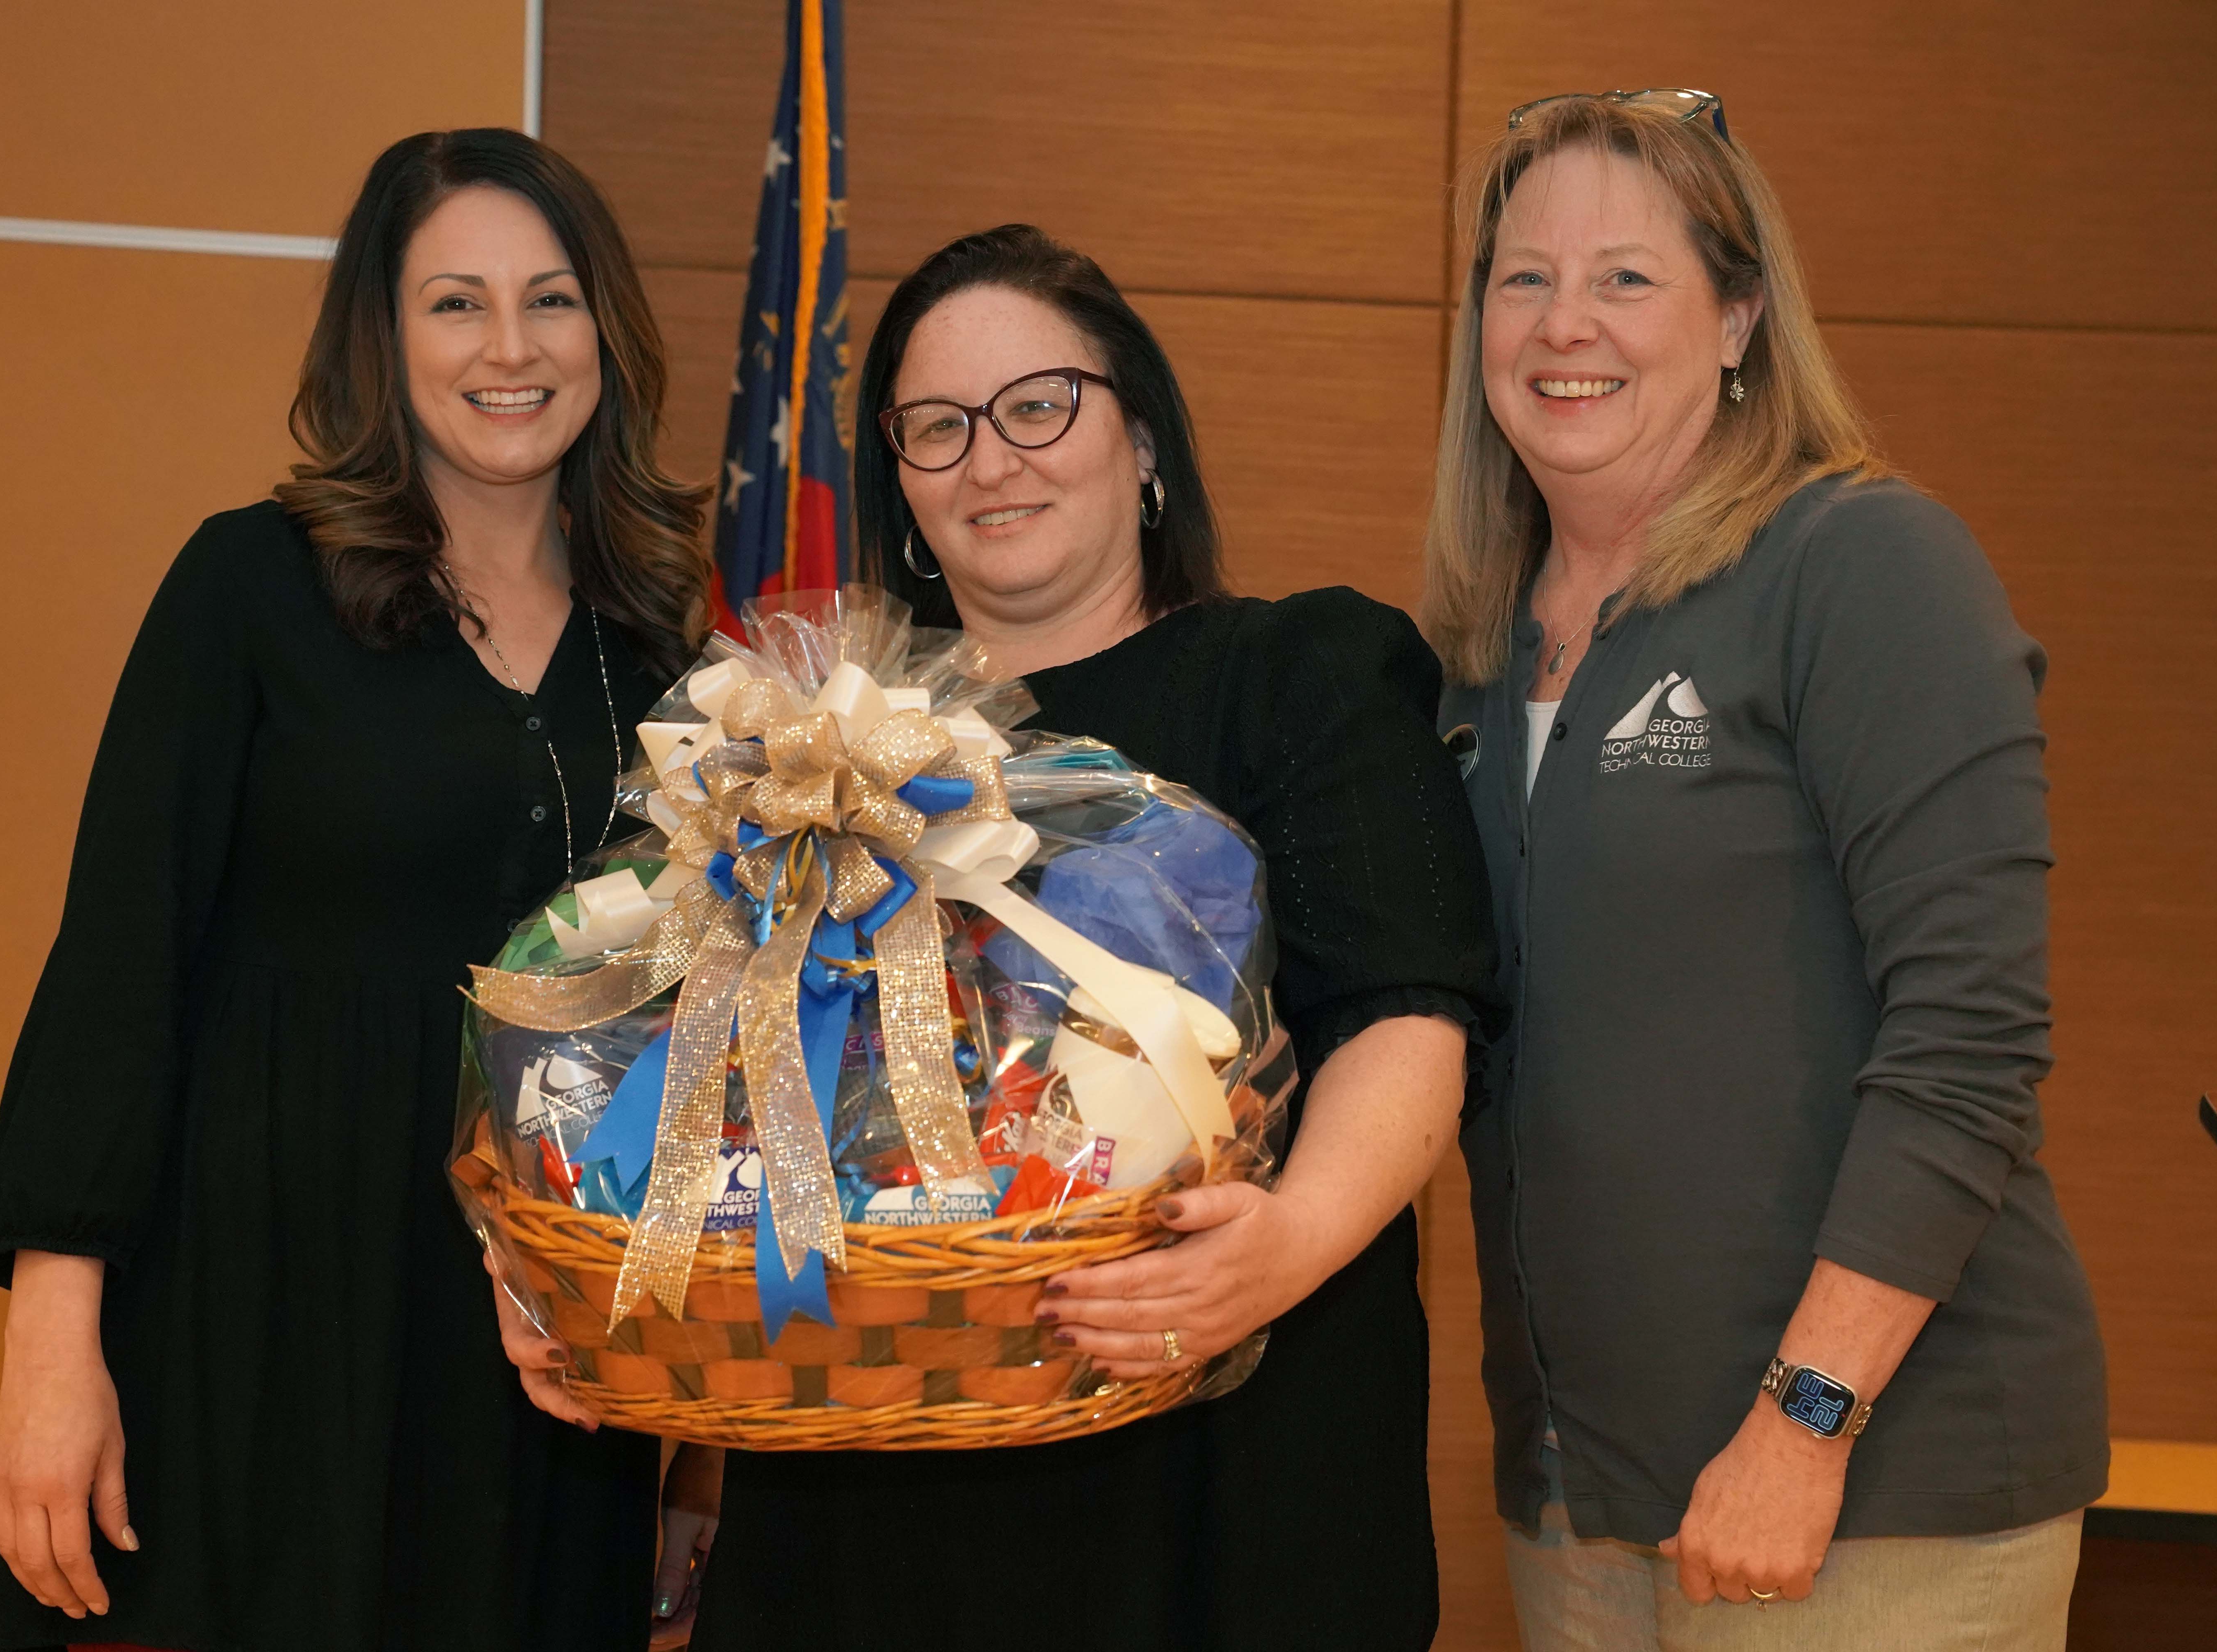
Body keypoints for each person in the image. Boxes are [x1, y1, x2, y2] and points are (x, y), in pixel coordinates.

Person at [510, 220, 1499, 1650]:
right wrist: (573, 1269)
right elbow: (651, 1071)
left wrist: (1283, 1250)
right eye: (937, 428)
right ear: (903, 493)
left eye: (1042, 405)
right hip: (869, 1502)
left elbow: (1415, 1016)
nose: (992, 458)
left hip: (1216, 1471)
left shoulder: (1298, 678)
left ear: (1144, 440)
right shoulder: (797, 744)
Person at [0, 128, 707, 1652]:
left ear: (607, 333)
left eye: (550, 299)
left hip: (524, 1367)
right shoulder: (250, 585)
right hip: (241, 1312)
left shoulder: (662, 656)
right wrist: (54, 1345)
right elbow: (119, 961)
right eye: (455, 303)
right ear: (382, 337)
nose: (509, 348)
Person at [1424, 90, 2108, 1649]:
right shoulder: (1478, 654)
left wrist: (1806, 1424)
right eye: (1521, 278)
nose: (1562, 324)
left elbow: (1971, 1039)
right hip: (1583, 1500)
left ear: (1739, 316)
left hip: (1870, 1498)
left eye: (1626, 278)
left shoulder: (1861, 567)